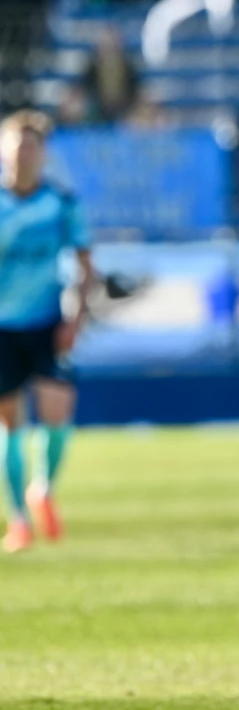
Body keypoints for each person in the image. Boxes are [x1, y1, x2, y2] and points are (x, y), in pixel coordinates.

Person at [0, 111, 94, 553]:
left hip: (47, 323)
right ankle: (19, 520)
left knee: (58, 412)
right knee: (11, 423)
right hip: (2, 328)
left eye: (32, 146)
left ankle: (43, 489)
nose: (24, 154)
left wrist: (75, 319)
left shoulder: (60, 202)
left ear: (43, 154)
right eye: (17, 146)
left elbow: (84, 265)